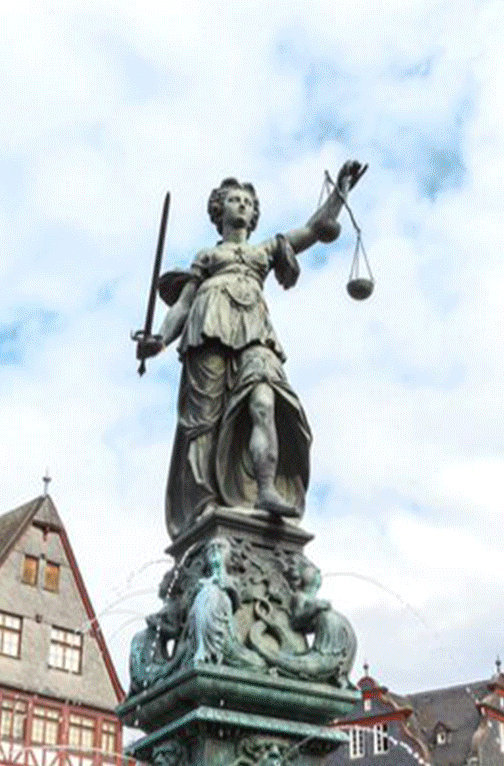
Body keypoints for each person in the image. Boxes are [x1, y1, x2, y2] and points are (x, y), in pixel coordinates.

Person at [136, 161, 368, 538]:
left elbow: (314, 230)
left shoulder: (264, 252)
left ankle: (265, 489)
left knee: (265, 401)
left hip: (255, 330)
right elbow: (182, 305)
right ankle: (205, 501)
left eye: (247, 201)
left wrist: (339, 195)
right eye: (234, 200)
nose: (242, 205)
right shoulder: (207, 257)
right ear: (219, 211)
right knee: (204, 421)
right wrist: (160, 341)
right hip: (209, 328)